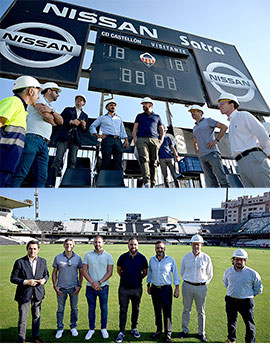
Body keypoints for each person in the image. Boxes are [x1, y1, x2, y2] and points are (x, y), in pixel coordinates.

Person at [11, 82, 63, 187]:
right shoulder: (39, 99)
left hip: (44, 143)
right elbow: (45, 116)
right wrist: (53, 122)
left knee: (42, 177)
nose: (58, 94)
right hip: (33, 138)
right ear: (49, 91)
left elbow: (61, 121)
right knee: (22, 171)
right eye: (56, 91)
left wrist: (51, 111)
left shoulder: (51, 107)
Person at [217, 92, 270, 187]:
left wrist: (266, 152)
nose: (219, 106)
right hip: (241, 163)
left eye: (222, 103)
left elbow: (262, 133)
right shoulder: (231, 124)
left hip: (253, 158)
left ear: (231, 104)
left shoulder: (243, 116)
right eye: (219, 104)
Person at [0, 75, 41, 187]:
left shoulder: (22, 110)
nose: (38, 97)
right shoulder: (14, 102)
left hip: (8, 164)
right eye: (38, 93)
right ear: (31, 91)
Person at [10, 240, 49, 343]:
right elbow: (13, 278)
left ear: (38, 250)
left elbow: (46, 274)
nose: (32, 251)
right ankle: (21, 338)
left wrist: (43, 280)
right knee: (23, 318)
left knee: (36, 316)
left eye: (35, 249)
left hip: (38, 294)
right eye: (30, 249)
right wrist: (26, 282)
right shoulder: (20, 262)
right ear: (27, 249)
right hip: (24, 294)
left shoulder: (43, 261)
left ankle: (35, 336)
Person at [223, 249, 263, 343]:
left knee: (249, 324)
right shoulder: (228, 271)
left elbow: (258, 288)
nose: (238, 262)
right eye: (237, 259)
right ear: (233, 260)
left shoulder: (252, 273)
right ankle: (231, 339)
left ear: (245, 261)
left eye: (241, 260)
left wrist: (248, 295)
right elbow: (226, 283)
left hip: (246, 302)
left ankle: (250, 342)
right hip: (231, 300)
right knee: (231, 321)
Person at [179, 234, 213, 343]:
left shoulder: (206, 258)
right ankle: (185, 330)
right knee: (186, 310)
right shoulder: (186, 257)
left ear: (201, 245)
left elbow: (210, 274)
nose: (196, 247)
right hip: (187, 286)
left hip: (201, 287)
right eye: (194, 244)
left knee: (201, 312)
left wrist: (203, 284)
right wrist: (189, 281)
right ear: (191, 245)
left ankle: (201, 333)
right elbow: (182, 271)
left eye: (198, 245)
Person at [115, 238, 148, 343]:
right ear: (128, 245)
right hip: (124, 288)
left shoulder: (142, 258)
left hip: (137, 288)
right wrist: (127, 278)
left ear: (138, 246)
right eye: (131, 244)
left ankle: (134, 328)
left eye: (135, 244)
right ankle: (121, 331)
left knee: (136, 309)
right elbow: (119, 270)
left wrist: (137, 279)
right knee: (123, 310)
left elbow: (145, 272)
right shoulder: (122, 257)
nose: (133, 246)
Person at [188, 105, 230, 188]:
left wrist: (216, 141)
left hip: (212, 153)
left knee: (222, 179)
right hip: (202, 157)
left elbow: (224, 127)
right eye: (191, 112)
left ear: (200, 112)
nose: (192, 113)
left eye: (194, 111)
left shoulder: (208, 121)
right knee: (212, 182)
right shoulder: (194, 128)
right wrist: (196, 151)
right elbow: (195, 141)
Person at [147, 241, 180, 343]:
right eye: (157, 248)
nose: (159, 250)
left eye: (161, 248)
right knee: (157, 311)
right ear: (155, 249)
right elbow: (150, 274)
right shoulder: (152, 260)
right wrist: (148, 285)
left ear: (164, 249)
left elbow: (175, 274)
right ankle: (158, 330)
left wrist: (177, 288)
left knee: (167, 312)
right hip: (155, 289)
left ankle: (168, 334)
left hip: (166, 289)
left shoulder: (170, 260)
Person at [82, 236, 113, 340]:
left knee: (104, 308)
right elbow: (84, 271)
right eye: (95, 242)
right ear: (93, 243)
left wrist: (99, 283)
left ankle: (103, 328)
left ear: (103, 243)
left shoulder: (108, 256)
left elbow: (110, 272)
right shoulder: (87, 255)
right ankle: (91, 329)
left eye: (99, 242)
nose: (97, 244)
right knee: (91, 309)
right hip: (90, 288)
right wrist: (93, 283)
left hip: (103, 287)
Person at [50, 94, 89, 178]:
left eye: (81, 100)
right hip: (64, 136)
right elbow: (60, 120)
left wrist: (84, 126)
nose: (78, 101)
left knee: (72, 161)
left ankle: (68, 181)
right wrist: (71, 121)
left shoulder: (85, 116)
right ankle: (51, 182)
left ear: (84, 103)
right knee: (58, 158)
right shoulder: (68, 109)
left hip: (75, 139)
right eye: (77, 99)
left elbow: (85, 131)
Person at [52, 238, 83, 339]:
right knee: (60, 309)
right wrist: (55, 285)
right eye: (66, 244)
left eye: (70, 244)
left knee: (74, 308)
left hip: (74, 288)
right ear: (64, 245)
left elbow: (81, 273)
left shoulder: (78, 258)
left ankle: (73, 327)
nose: (68, 246)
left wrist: (79, 285)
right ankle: (60, 328)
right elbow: (54, 272)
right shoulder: (58, 257)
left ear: (73, 245)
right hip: (61, 288)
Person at [133, 97, 164, 188]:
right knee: (144, 159)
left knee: (154, 162)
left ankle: (153, 184)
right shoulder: (139, 116)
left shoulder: (157, 117)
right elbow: (135, 128)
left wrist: (161, 140)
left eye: (144, 104)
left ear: (150, 105)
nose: (143, 105)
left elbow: (162, 130)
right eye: (142, 104)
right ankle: (147, 182)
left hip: (154, 140)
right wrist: (135, 139)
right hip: (142, 139)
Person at [90, 99, 129, 170]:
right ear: (107, 107)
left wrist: (126, 140)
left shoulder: (119, 118)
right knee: (106, 161)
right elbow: (92, 126)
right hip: (107, 139)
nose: (113, 106)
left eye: (114, 105)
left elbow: (123, 130)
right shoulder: (102, 118)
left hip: (118, 140)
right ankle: (105, 179)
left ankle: (117, 179)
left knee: (118, 162)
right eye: (111, 105)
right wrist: (98, 135)